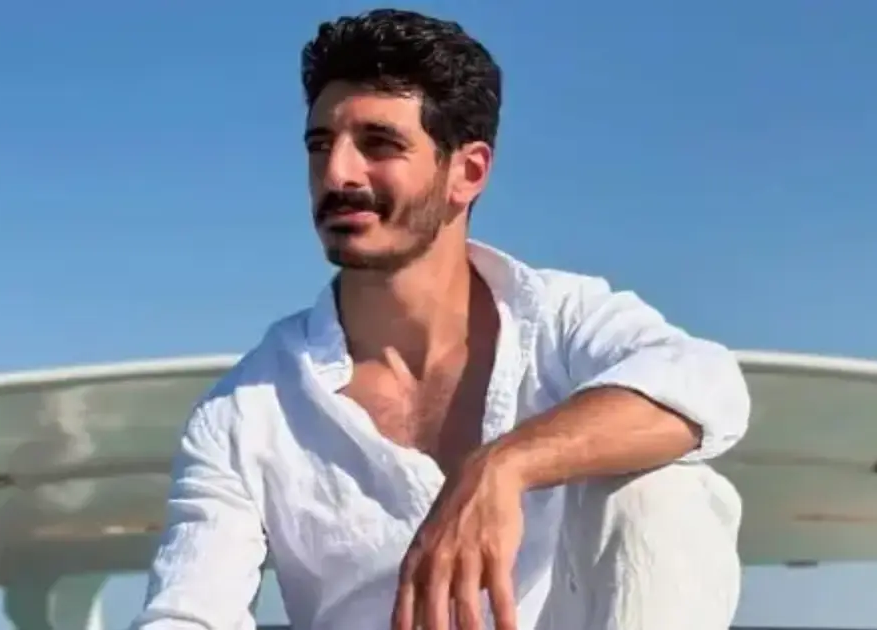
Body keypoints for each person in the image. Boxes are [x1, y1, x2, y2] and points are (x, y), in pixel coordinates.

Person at [133, 8, 750, 630]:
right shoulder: (245, 411)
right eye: (320, 145)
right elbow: (188, 613)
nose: (337, 173)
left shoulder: (559, 319)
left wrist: (504, 465)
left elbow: (704, 383)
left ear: (467, 172)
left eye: (378, 143)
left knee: (663, 492)